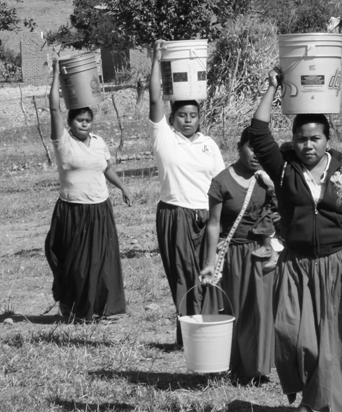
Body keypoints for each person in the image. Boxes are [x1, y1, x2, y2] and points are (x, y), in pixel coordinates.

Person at [248, 69, 342, 412]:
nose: (308, 145)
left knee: (334, 338)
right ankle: (312, 397)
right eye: (301, 138)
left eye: (315, 138)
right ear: (294, 141)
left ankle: (312, 404)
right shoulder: (284, 169)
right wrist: (272, 88)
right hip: (297, 264)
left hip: (338, 262)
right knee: (294, 335)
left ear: (328, 140)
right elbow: (257, 133)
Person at [149, 39, 226, 345]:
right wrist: (156, 60)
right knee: (183, 275)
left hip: (208, 216)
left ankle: (209, 327)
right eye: (182, 115)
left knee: (210, 271)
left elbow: (221, 182)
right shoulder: (164, 138)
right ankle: (188, 336)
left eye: (193, 115)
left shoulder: (209, 145)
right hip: (176, 213)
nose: (188, 120)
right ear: (172, 117)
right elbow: (155, 99)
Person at [44, 61, 133, 322]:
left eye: (88, 121)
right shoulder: (63, 142)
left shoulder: (99, 143)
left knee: (103, 262)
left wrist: (123, 187)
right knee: (76, 265)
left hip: (99, 208)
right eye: (79, 120)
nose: (84, 125)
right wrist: (57, 76)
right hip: (72, 210)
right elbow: (53, 108)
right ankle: (74, 309)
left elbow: (106, 169)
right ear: (70, 122)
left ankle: (104, 309)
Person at [199, 128, 277, 383]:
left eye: (260, 149)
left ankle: (260, 368)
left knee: (263, 311)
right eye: (250, 147)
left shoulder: (267, 179)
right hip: (235, 254)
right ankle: (240, 369)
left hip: (262, 252)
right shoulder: (221, 181)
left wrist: (273, 187)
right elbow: (213, 224)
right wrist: (210, 263)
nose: (255, 154)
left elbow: (278, 213)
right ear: (239, 146)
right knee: (240, 311)